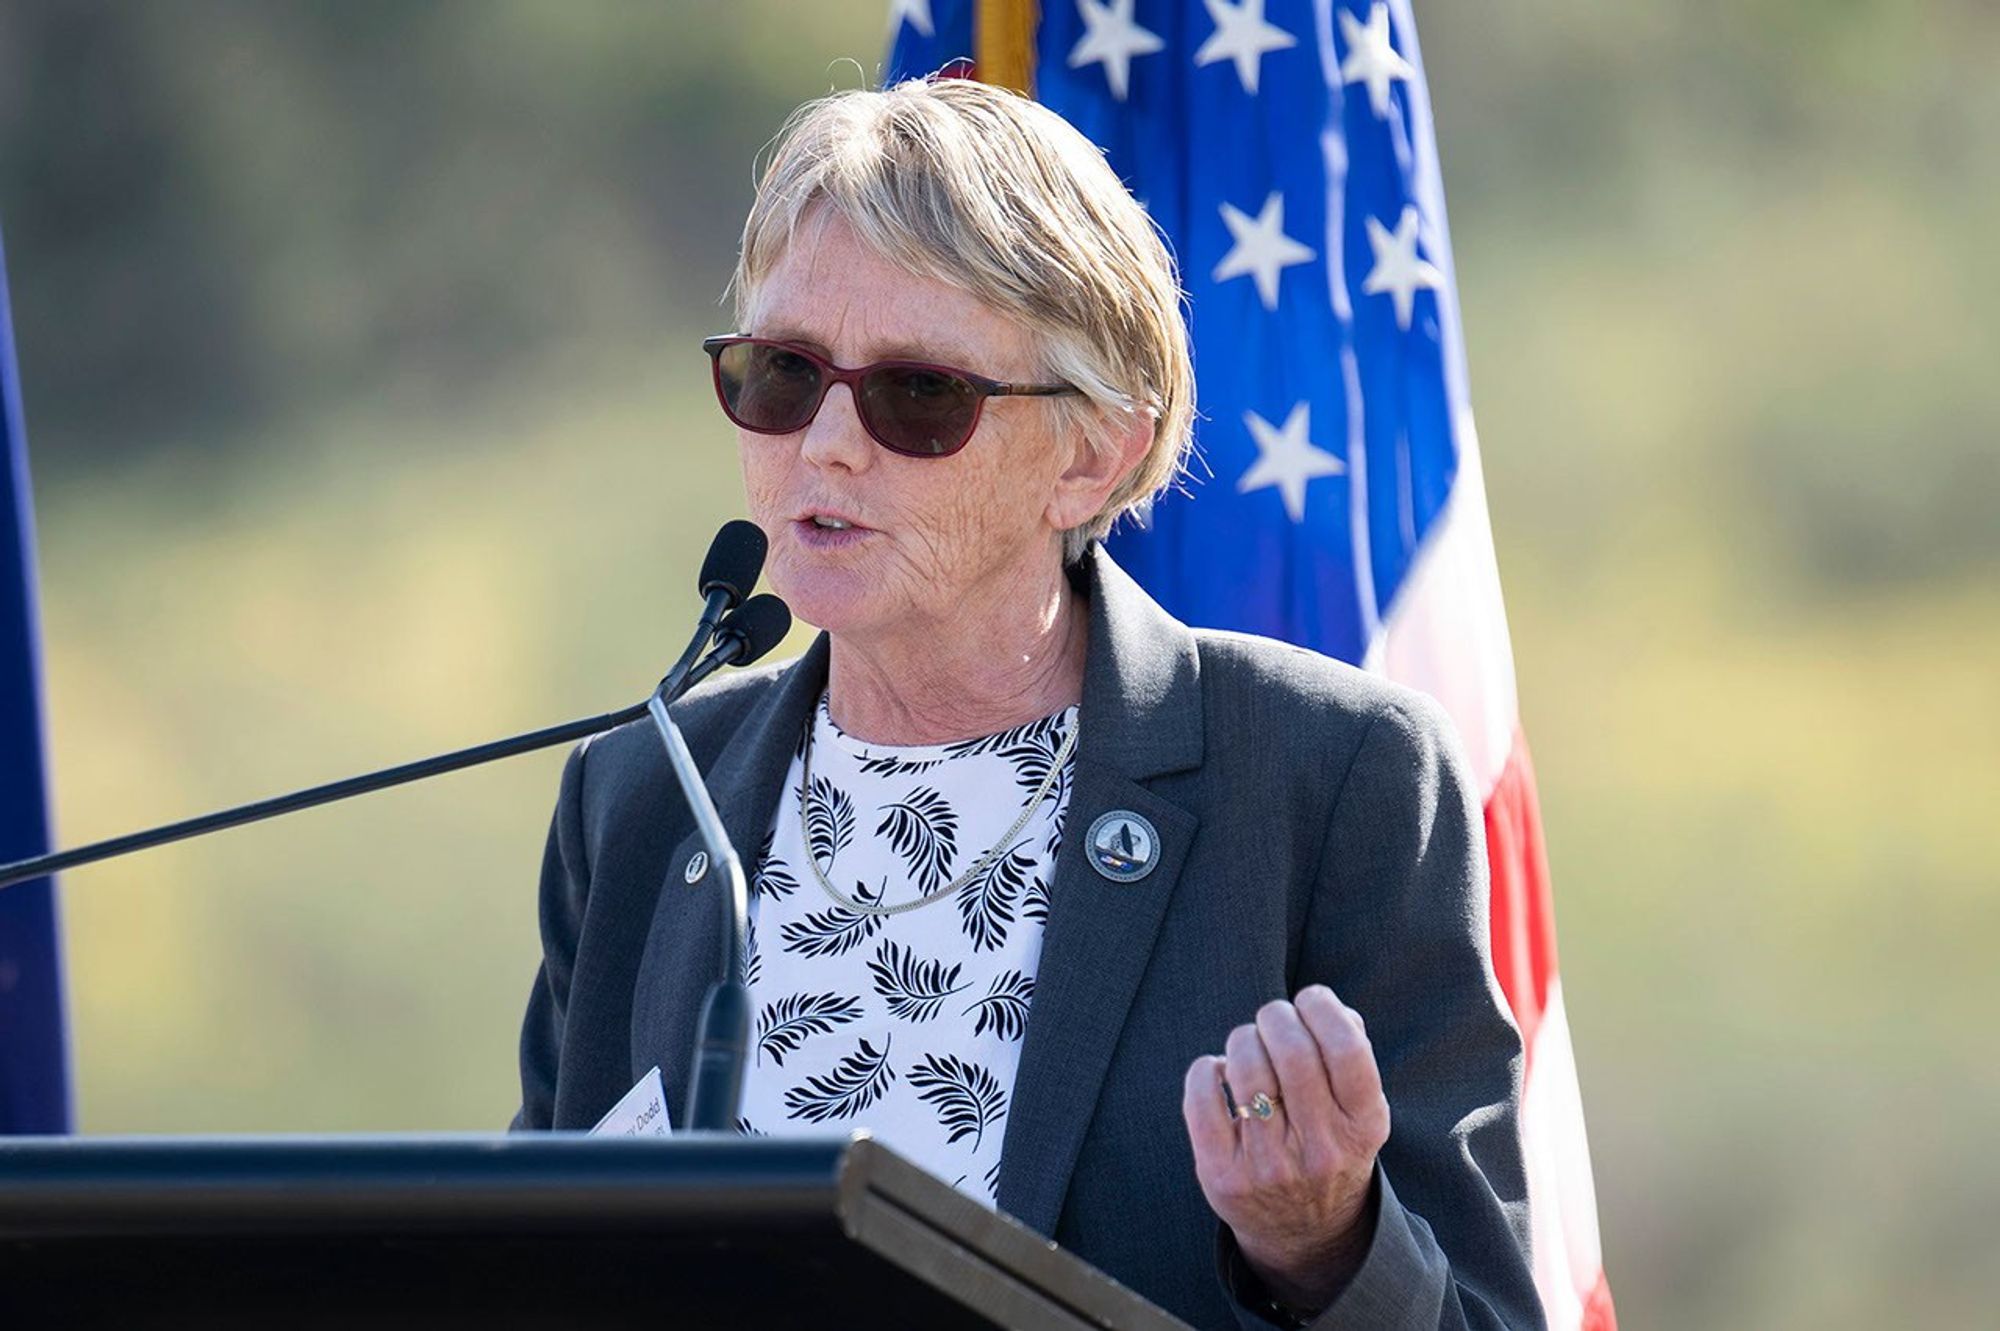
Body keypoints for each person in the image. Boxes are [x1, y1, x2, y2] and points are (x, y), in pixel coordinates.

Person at [512, 78, 1542, 1331]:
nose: (825, 445)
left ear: (1090, 453)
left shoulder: (1328, 777)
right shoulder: (645, 797)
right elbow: (533, 1264)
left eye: (916, 396)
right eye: (782, 375)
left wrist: (1326, 1248)